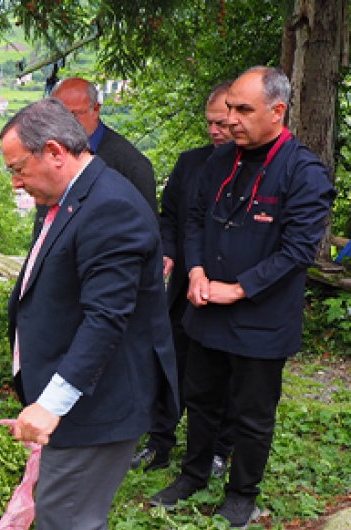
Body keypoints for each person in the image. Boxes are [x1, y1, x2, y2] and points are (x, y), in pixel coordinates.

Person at [1, 97, 178, 530]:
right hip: (81, 391)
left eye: (17, 168)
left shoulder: (111, 208)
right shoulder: (72, 196)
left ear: (54, 151)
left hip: (98, 400)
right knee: (77, 515)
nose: (15, 182)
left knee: (64, 516)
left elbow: (106, 321)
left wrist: (51, 404)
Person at [149, 67, 334, 529]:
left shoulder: (304, 172)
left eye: (243, 109)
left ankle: (241, 495)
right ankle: (192, 475)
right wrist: (194, 270)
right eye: (229, 107)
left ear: (277, 111)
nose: (230, 119)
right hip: (206, 307)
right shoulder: (220, 160)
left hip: (262, 318)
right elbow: (193, 218)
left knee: (251, 414)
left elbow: (297, 250)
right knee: (201, 397)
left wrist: (241, 287)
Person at [132, 82, 236, 474]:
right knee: (172, 363)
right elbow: (170, 216)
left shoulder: (253, 170)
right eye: (210, 123)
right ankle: (160, 440)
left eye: (222, 123)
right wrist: (168, 253)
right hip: (183, 291)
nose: (215, 131)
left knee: (222, 374)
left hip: (227, 292)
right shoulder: (190, 163)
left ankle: (218, 449)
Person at [27, 77, 157, 240]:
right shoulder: (50, 153)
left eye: (73, 115)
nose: (64, 123)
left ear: (95, 109)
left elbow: (147, 232)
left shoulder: (130, 164)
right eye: (57, 115)